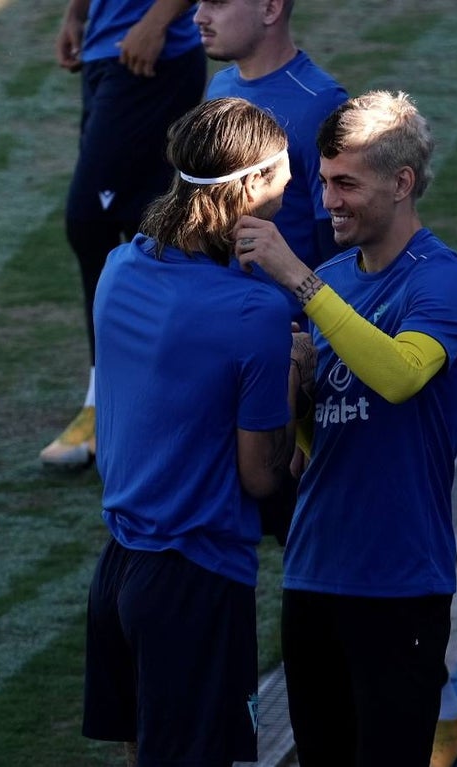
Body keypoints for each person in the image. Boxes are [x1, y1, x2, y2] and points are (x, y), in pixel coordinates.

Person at [196, 7, 457, 763]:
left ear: (404, 182)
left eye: (346, 184)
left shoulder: (443, 286)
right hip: (314, 572)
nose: (328, 204)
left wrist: (294, 278)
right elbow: (318, 438)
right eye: (322, 183)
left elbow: (396, 377)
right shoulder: (332, 281)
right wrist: (293, 391)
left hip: (399, 580)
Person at [81, 97, 303, 766]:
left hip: (117, 570)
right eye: (286, 172)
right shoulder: (255, 309)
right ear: (254, 185)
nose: (296, 184)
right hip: (195, 582)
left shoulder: (120, 269)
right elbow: (260, 472)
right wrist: (291, 382)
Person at [42, 0, 206, 468]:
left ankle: (119, 406)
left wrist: (157, 20)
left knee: (99, 222)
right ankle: (137, 407)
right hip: (107, 50)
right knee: (136, 223)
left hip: (150, 54)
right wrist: (76, 13)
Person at [194, 0, 347, 303]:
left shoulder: (320, 104)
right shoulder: (220, 87)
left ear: (270, 9)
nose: (199, 16)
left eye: (217, 3)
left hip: (293, 333)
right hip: (226, 312)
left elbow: (338, 239)